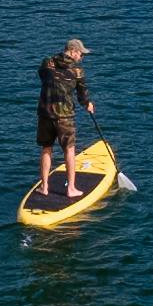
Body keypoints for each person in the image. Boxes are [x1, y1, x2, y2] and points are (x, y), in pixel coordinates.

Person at [34, 36, 95, 207]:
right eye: (81, 54)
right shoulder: (77, 72)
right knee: (69, 150)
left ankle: (44, 187)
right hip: (65, 117)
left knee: (46, 149)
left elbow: (42, 76)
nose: (82, 58)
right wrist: (88, 105)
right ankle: (71, 189)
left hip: (45, 114)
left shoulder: (47, 63)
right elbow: (82, 95)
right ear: (73, 51)